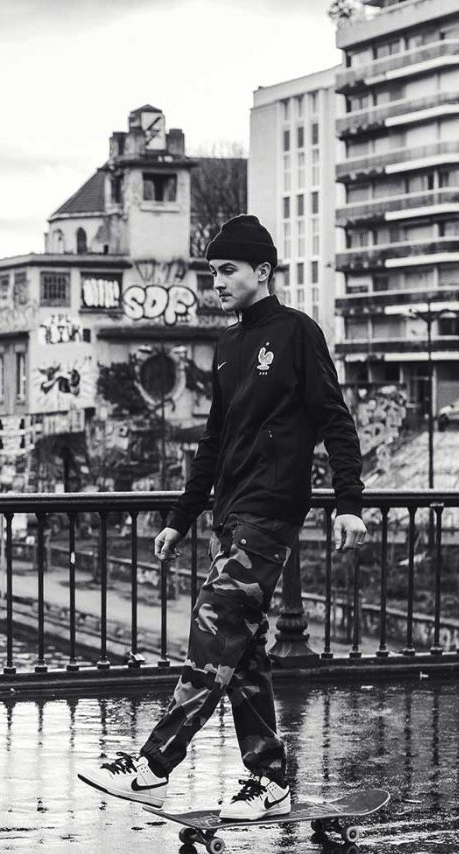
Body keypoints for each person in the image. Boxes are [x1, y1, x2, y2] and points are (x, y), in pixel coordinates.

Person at [78, 214, 366, 820]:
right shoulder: (228, 347)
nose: (217, 282)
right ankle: (270, 779)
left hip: (271, 512)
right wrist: (180, 518)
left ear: (262, 270)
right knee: (244, 655)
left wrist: (348, 504)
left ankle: (153, 766)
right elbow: (214, 441)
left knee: (214, 629)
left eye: (228, 270)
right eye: (213, 272)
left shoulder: (298, 333)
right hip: (229, 516)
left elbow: (335, 421)